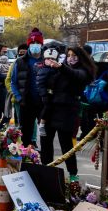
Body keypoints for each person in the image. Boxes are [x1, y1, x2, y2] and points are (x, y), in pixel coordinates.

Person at [39, 45, 94, 181]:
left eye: (74, 55)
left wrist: (61, 67)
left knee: (66, 145)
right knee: (45, 142)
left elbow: (76, 75)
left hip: (67, 111)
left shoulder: (83, 71)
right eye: (69, 55)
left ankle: (73, 174)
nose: (71, 58)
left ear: (80, 57)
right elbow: (49, 84)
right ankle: (46, 169)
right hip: (51, 110)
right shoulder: (60, 68)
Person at [9, 29, 45, 146]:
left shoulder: (47, 60)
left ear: (41, 44)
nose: (35, 46)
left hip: (43, 103)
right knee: (25, 135)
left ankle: (46, 162)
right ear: (29, 45)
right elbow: (13, 82)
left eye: (37, 43)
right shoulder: (20, 61)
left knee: (46, 135)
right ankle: (25, 160)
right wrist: (19, 98)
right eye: (32, 44)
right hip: (26, 103)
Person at [80, 49, 108, 139]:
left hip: (92, 99)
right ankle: (103, 143)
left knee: (92, 118)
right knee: (106, 125)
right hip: (106, 103)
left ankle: (89, 135)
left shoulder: (96, 67)